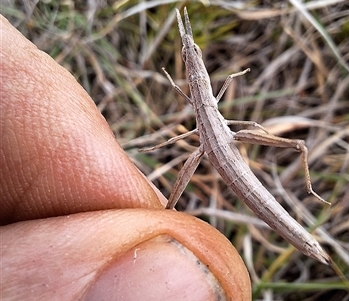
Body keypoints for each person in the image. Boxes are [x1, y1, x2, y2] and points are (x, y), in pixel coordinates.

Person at [0, 15, 250, 300]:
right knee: (166, 210)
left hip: (227, 150)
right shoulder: (191, 91)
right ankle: (165, 222)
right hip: (214, 144)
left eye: (193, 54)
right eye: (188, 54)